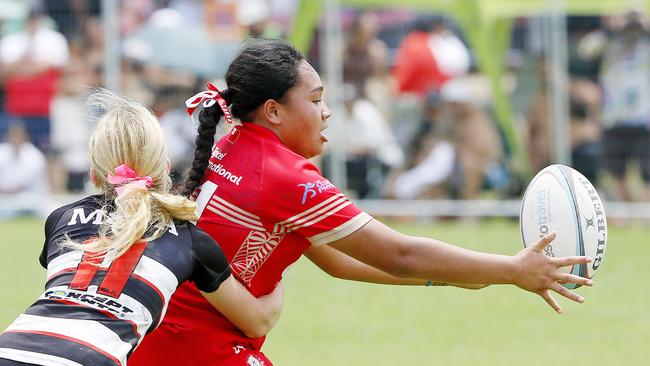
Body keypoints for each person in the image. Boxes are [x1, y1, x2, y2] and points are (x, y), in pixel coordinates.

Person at [130, 39, 593, 366]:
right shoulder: (284, 175)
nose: (326, 112)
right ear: (273, 110)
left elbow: (339, 261)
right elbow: (399, 254)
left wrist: (450, 279)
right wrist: (512, 271)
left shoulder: (232, 145)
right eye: (315, 100)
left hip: (164, 337)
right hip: (196, 348)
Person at [0, 89, 284, 366]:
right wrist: (279, 267)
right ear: (166, 167)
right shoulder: (192, 241)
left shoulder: (61, 219)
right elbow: (257, 321)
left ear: (94, 175)